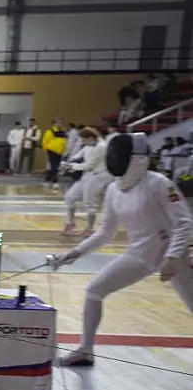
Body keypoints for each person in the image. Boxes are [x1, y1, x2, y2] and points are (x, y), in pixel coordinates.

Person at [53, 133, 193, 367]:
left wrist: (172, 257)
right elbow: (105, 232)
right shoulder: (114, 190)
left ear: (136, 157)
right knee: (94, 291)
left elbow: (184, 222)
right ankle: (85, 350)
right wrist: (75, 253)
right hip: (139, 255)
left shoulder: (159, 183)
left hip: (176, 255)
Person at [61, 128, 110, 236]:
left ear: (90, 138)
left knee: (89, 203)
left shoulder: (102, 146)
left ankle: (89, 228)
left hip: (97, 176)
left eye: (84, 140)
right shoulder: (89, 144)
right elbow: (79, 155)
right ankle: (70, 223)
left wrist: (72, 166)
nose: (82, 142)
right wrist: (68, 161)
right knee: (69, 197)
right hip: (87, 175)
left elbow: (89, 165)